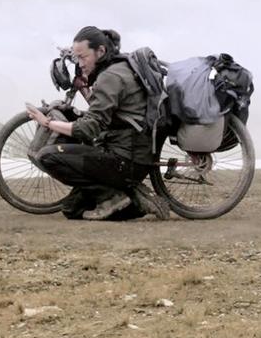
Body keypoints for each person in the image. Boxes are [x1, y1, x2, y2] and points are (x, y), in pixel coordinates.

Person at [26, 26, 168, 220]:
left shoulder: (109, 77)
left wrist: (48, 122)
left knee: (48, 156)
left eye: (83, 57)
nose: (80, 64)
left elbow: (87, 129)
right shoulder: (119, 67)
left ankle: (113, 196)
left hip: (125, 159)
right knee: (71, 209)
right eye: (77, 58)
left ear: (100, 51)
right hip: (129, 154)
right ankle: (136, 200)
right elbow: (104, 117)